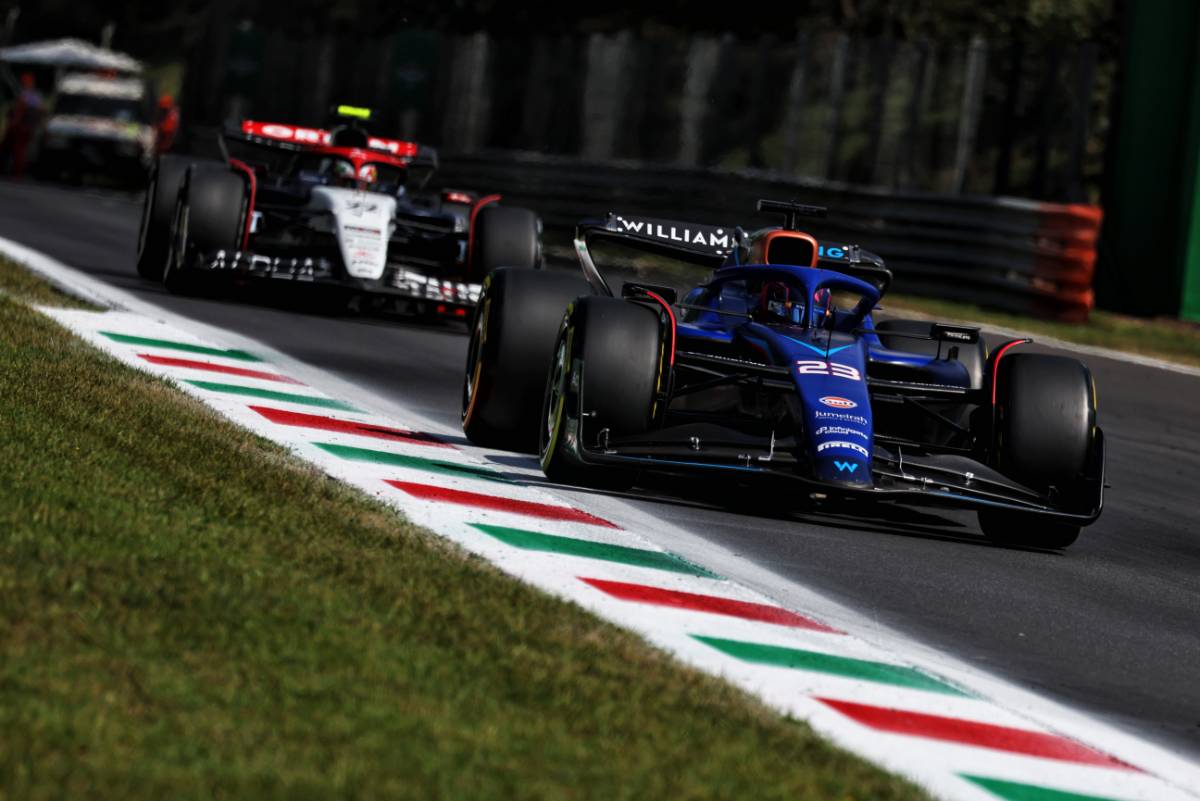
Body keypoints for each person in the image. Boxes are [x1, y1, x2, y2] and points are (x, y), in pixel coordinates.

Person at [1, 72, 45, 177]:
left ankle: (17, 172)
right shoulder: (33, 95)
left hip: (22, 127)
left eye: (26, 81)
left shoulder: (29, 95)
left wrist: (14, 122)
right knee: (11, 149)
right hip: (24, 126)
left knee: (19, 150)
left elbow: (22, 110)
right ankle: (12, 171)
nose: (24, 83)